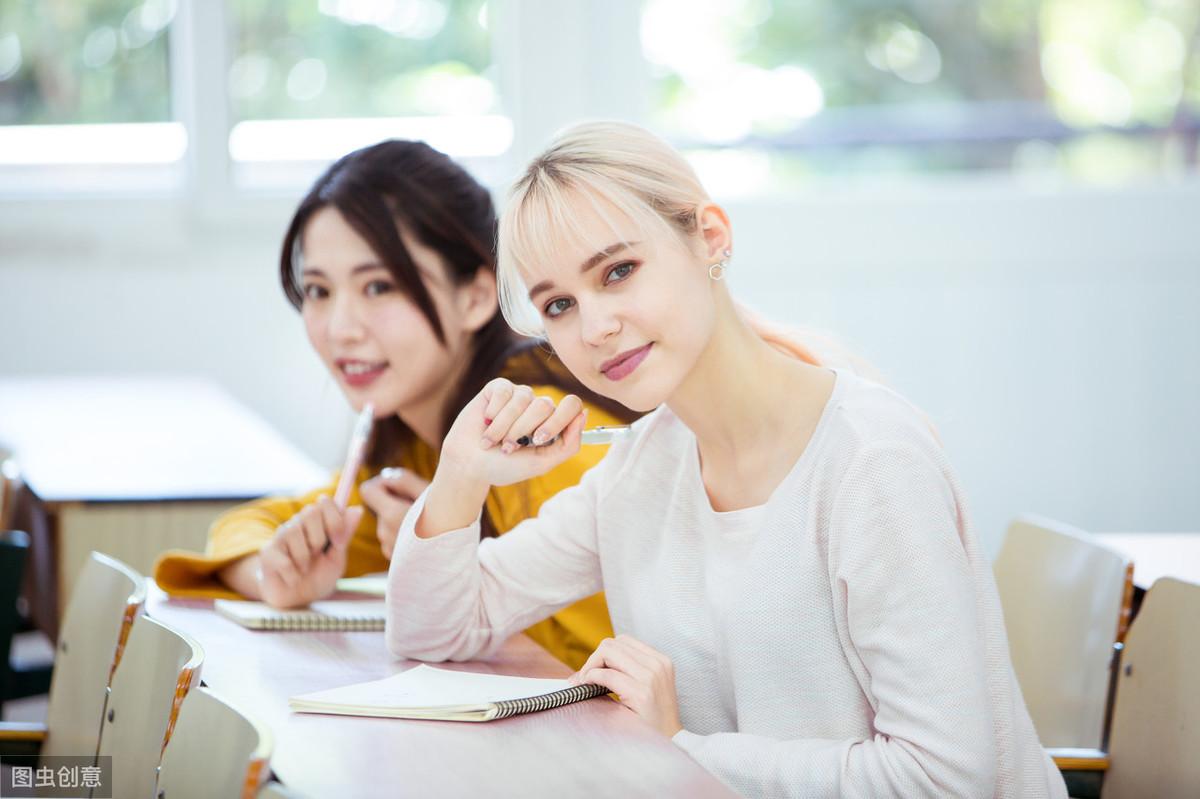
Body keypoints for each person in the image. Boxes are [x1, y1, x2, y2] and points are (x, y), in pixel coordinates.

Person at [384, 122, 1068, 797]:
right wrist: (462, 475)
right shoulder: (645, 466)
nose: (593, 328)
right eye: (559, 305)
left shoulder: (871, 462)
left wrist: (681, 749)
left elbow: (946, 778)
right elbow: (433, 630)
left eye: (618, 271)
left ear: (709, 237)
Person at [153, 139, 637, 671]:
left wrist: (453, 556)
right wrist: (275, 574)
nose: (341, 329)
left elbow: (637, 647)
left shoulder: (536, 431)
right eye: (318, 291)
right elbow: (255, 522)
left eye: (380, 286)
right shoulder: (414, 449)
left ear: (475, 297)